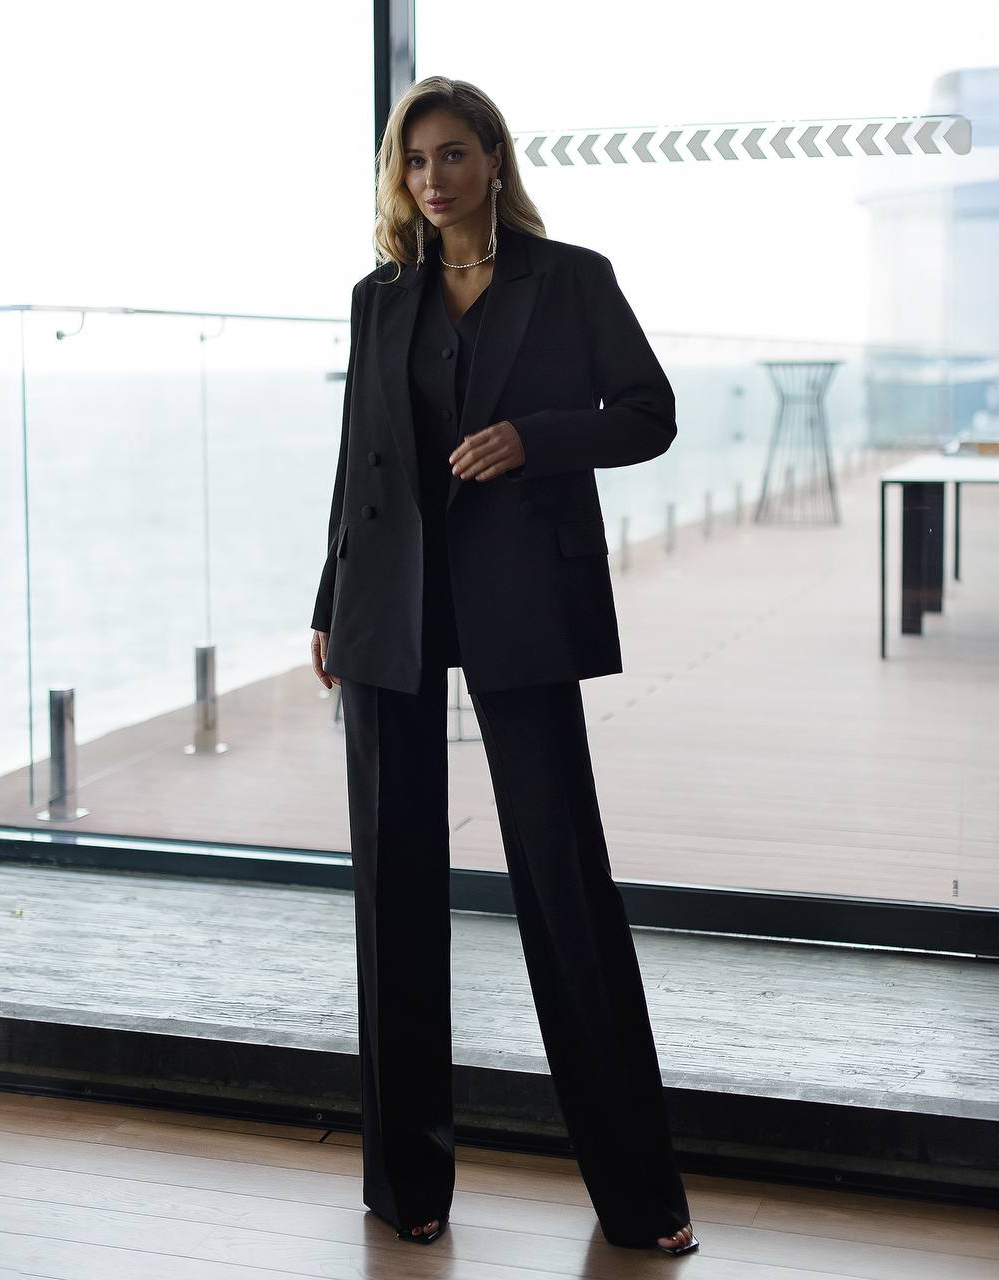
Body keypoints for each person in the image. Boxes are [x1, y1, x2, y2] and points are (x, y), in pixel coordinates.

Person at [310, 75, 698, 1258]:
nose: (432, 180)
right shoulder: (380, 300)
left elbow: (648, 413)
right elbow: (357, 458)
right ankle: (404, 1186)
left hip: (521, 603)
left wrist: (536, 439)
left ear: (492, 158)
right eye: (413, 161)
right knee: (393, 896)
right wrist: (329, 602)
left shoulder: (568, 276)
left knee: (564, 886)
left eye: (452, 156)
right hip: (388, 610)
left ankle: (640, 1196)